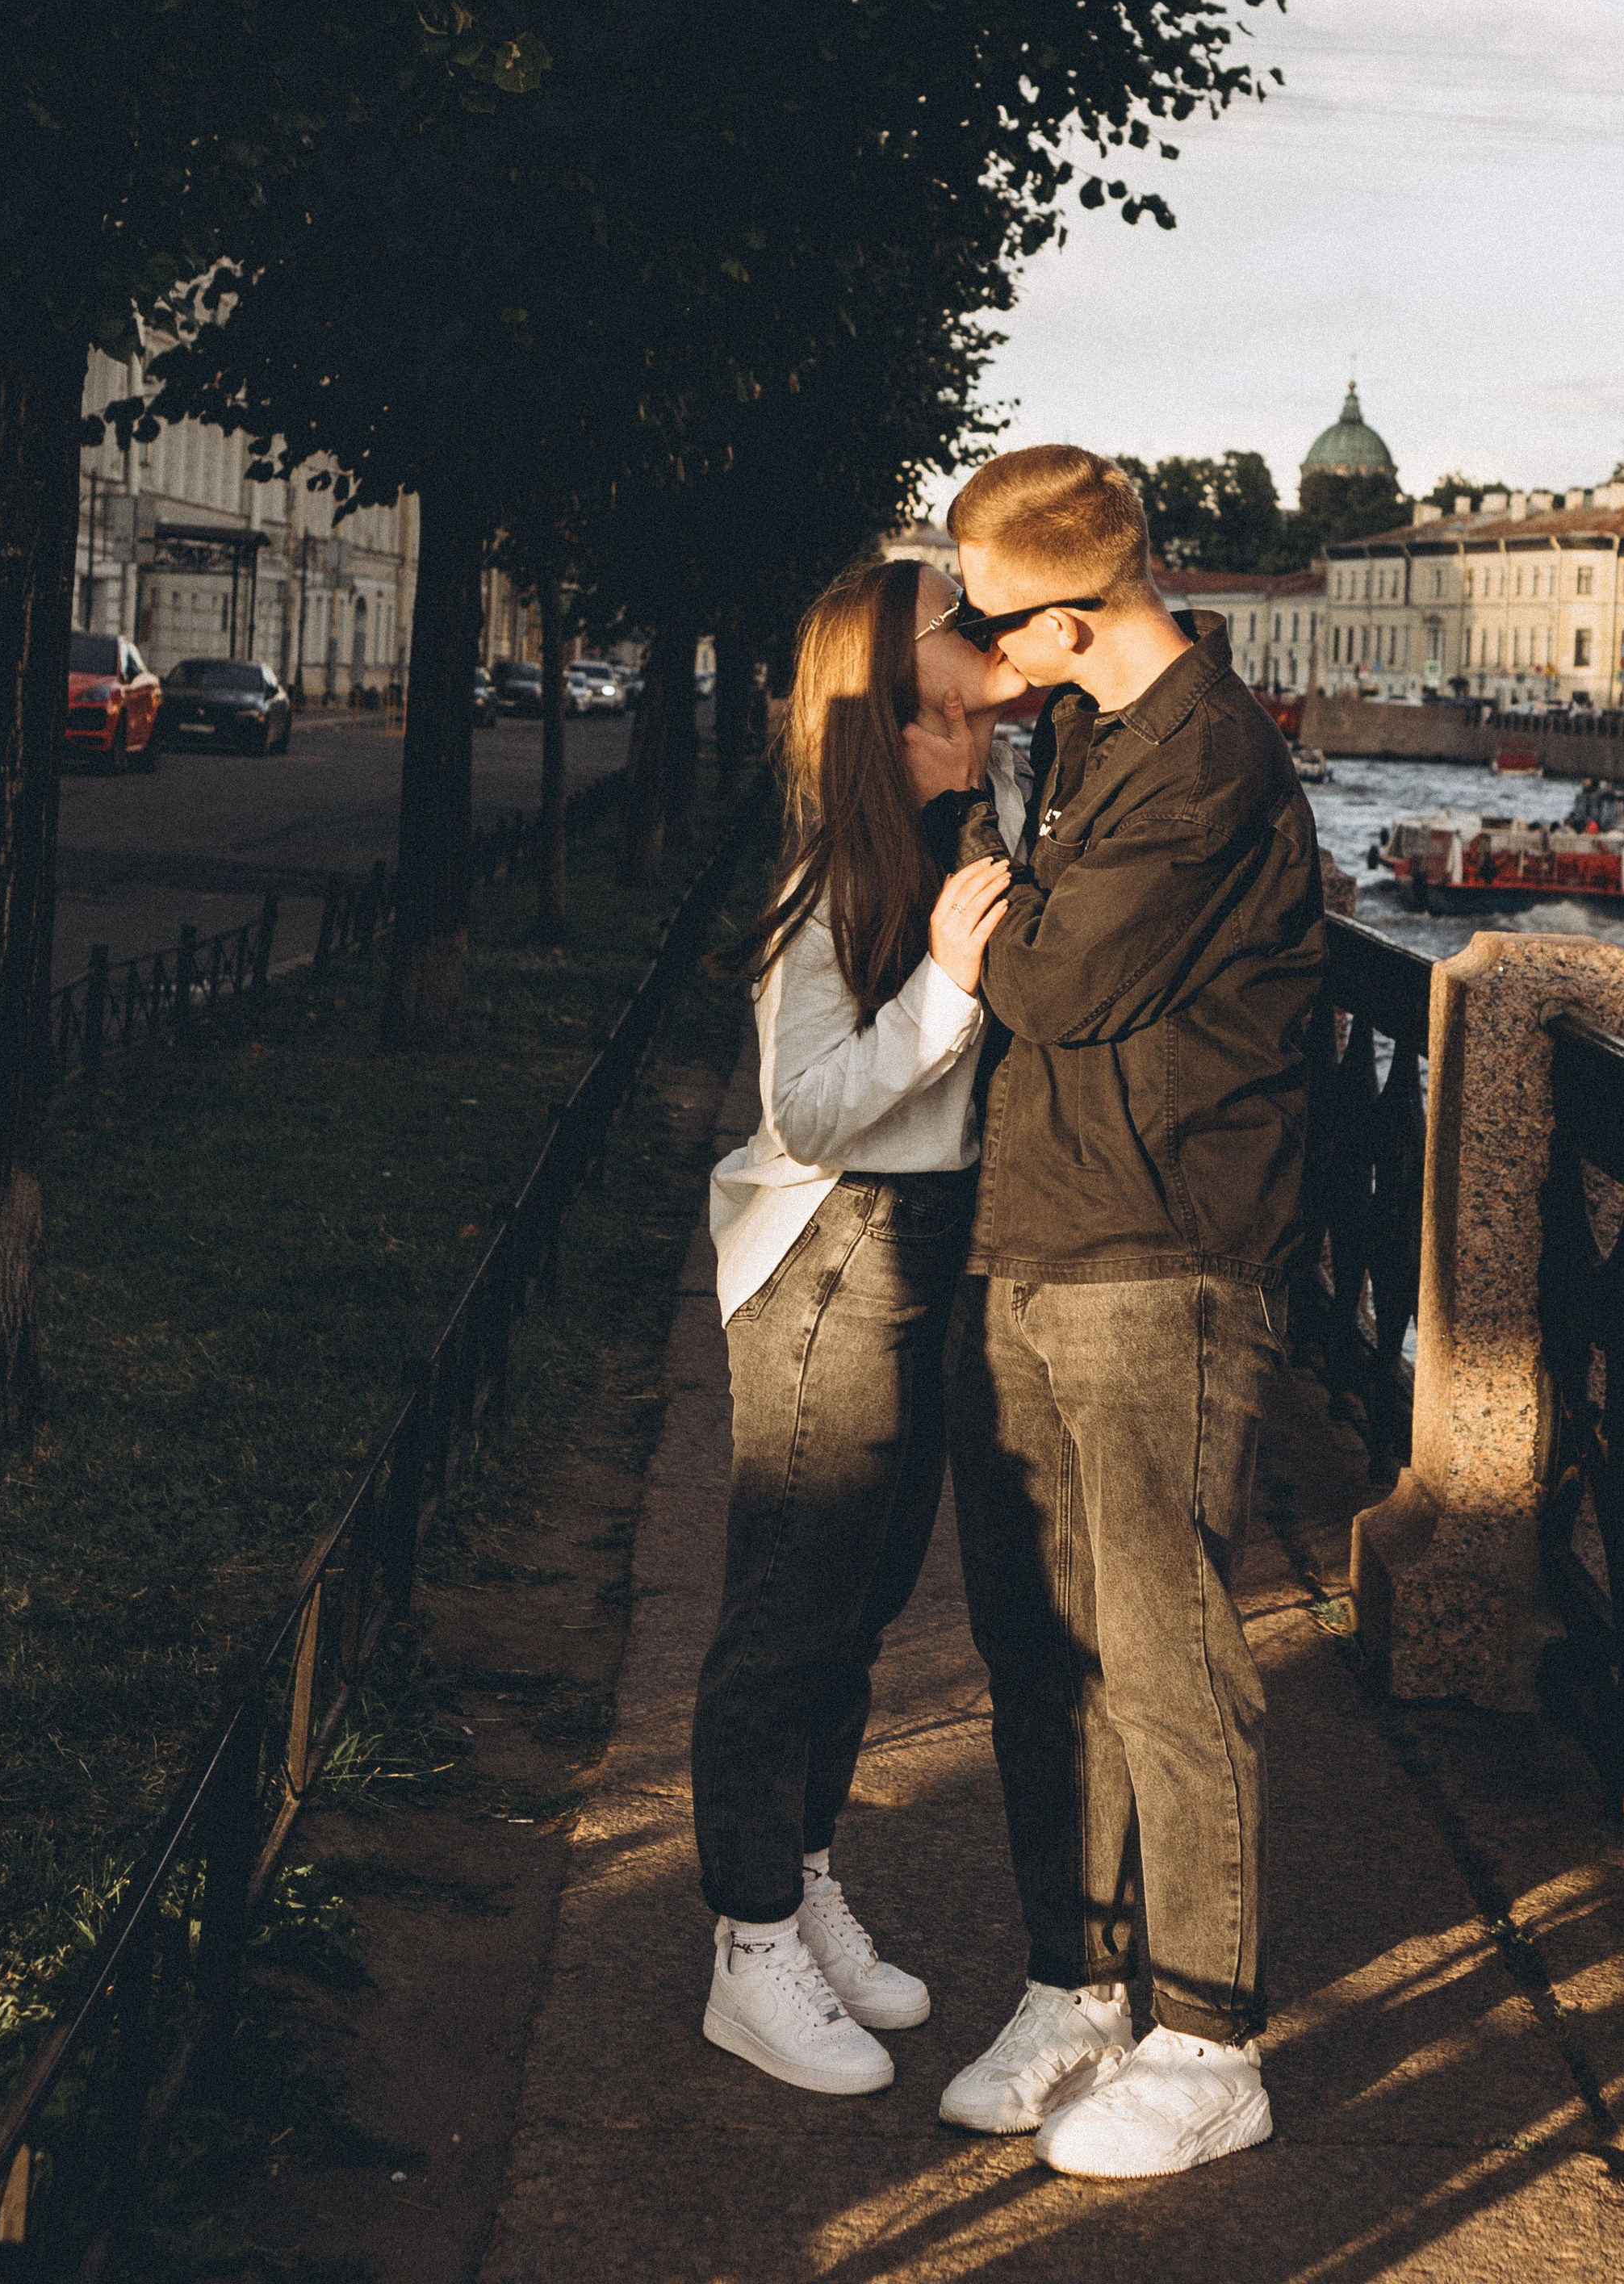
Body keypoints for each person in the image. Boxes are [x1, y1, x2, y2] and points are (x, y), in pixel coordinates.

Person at [924, 445, 1325, 2180]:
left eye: (985, 615)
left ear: (1071, 615)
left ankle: (1208, 2037)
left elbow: (1065, 978)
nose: (965, 636)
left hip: (1161, 1253)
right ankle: (1078, 1983)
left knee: (1166, 1658)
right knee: (1038, 1645)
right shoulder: (1083, 730)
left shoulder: (1209, 756)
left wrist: (971, 949)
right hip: (1037, 1231)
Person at [691, 556, 1015, 2097]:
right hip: (833, 1249)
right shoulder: (829, 883)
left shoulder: (948, 838)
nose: (982, 737)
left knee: (866, 1600)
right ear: (881, 727)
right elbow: (809, 1107)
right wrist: (947, 990)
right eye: (951, 716)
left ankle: (801, 1874)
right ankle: (746, 1945)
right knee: (788, 1615)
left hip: (919, 1241)